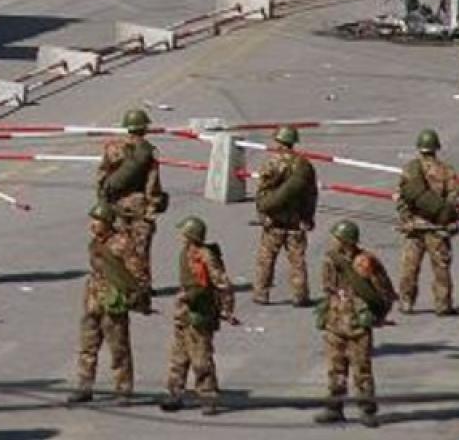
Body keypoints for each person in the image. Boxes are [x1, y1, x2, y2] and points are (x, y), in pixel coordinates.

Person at [314, 220, 397, 427]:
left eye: (337, 238)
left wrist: (378, 315)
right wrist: (325, 312)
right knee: (336, 369)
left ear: (346, 241)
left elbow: (385, 292)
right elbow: (328, 289)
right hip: (335, 324)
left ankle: (367, 409)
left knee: (362, 370)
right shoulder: (331, 260)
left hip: (358, 326)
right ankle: (335, 406)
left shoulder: (366, 262)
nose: (333, 241)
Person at [161, 215, 236, 416]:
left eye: (183, 233)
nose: (181, 237)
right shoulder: (186, 253)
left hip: (200, 313)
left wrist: (227, 310)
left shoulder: (205, 256)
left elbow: (223, 284)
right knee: (178, 357)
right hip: (184, 312)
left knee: (201, 359)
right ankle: (175, 393)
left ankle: (208, 396)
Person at [95, 108, 166, 313]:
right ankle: (141, 291)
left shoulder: (113, 148)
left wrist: (103, 203)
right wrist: (153, 205)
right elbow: (152, 184)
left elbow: (101, 177)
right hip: (139, 206)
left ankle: (120, 283)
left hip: (116, 206)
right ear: (144, 128)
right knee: (141, 249)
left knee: (118, 245)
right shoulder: (147, 151)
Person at [68, 204, 137, 405]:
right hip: (93, 300)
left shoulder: (122, 244)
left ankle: (123, 389)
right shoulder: (95, 242)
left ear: (107, 222)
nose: (92, 225)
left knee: (118, 348)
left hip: (113, 301)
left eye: (96, 221)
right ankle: (84, 386)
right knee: (87, 346)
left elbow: (134, 273)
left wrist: (132, 297)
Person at [397, 128, 459, 315]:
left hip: (415, 227)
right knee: (441, 269)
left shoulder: (410, 170)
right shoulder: (446, 171)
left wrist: (406, 219)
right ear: (436, 148)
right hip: (438, 227)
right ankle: (443, 305)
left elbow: (402, 199)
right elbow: (455, 198)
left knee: (409, 267)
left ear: (419, 148)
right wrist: (450, 219)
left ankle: (406, 302)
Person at [252, 125, 318, 306]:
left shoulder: (271, 163)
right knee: (297, 261)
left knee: (266, 259)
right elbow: (310, 195)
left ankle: (261, 293)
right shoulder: (304, 166)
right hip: (296, 222)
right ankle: (300, 295)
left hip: (274, 221)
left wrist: (262, 214)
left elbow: (262, 192)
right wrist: (308, 217)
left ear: (279, 141)